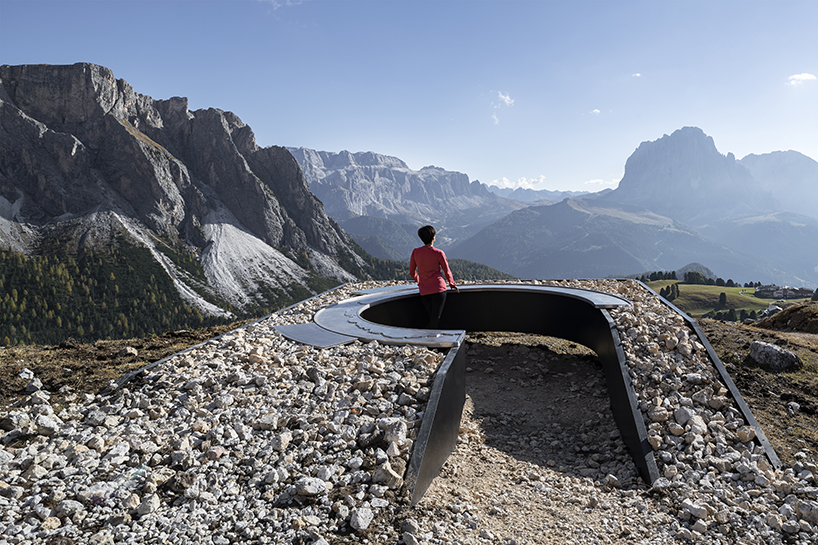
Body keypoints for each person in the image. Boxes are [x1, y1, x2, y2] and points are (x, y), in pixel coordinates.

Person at [409, 225, 459, 328]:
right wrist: (451, 283)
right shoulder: (439, 253)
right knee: (435, 318)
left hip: (424, 291)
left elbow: (411, 271)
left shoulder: (415, 252)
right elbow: (447, 271)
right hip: (438, 290)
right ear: (433, 238)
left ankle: (429, 339)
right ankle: (432, 340)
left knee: (432, 316)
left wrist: (419, 281)